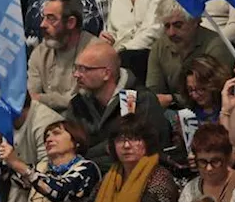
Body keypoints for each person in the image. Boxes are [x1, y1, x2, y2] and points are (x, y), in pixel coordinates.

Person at [68, 42, 170, 170]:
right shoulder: (77, 104)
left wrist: (88, 157)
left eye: (84, 69)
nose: (76, 75)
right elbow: (71, 151)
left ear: (106, 73)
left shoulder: (142, 100)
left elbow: (142, 152)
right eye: (76, 68)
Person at [90, 114, 179, 202]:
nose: (126, 146)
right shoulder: (110, 177)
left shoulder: (160, 179)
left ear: (147, 143)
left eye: (134, 139)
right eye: (120, 140)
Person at [28, 0, 102, 112]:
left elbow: (80, 101)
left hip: (82, 121)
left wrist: (41, 99)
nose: (43, 24)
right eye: (44, 17)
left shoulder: (95, 51)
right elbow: (31, 97)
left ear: (71, 22)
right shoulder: (40, 52)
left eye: (51, 19)